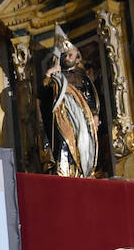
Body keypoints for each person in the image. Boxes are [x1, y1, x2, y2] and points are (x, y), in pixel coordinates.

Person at [40, 25, 100, 177]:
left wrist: (94, 115)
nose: (67, 57)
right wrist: (49, 74)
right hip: (61, 116)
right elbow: (44, 96)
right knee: (63, 142)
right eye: (65, 55)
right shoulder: (57, 77)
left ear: (77, 59)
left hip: (80, 117)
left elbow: (89, 98)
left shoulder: (82, 78)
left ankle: (79, 171)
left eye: (70, 55)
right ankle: (63, 171)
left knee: (82, 142)